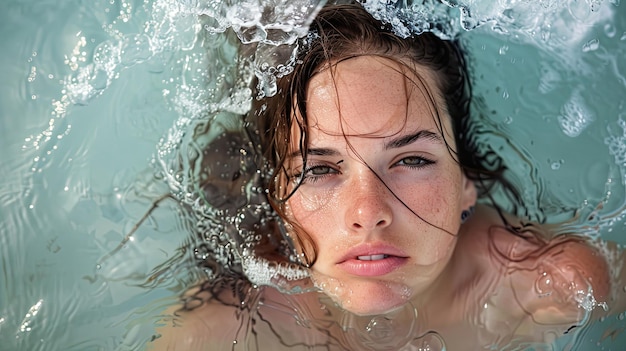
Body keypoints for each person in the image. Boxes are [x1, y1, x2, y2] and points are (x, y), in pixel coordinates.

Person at [148, 2, 623, 350]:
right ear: (276, 200)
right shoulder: (217, 333)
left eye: (411, 160)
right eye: (319, 169)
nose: (369, 213)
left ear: (466, 182)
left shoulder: (553, 285)